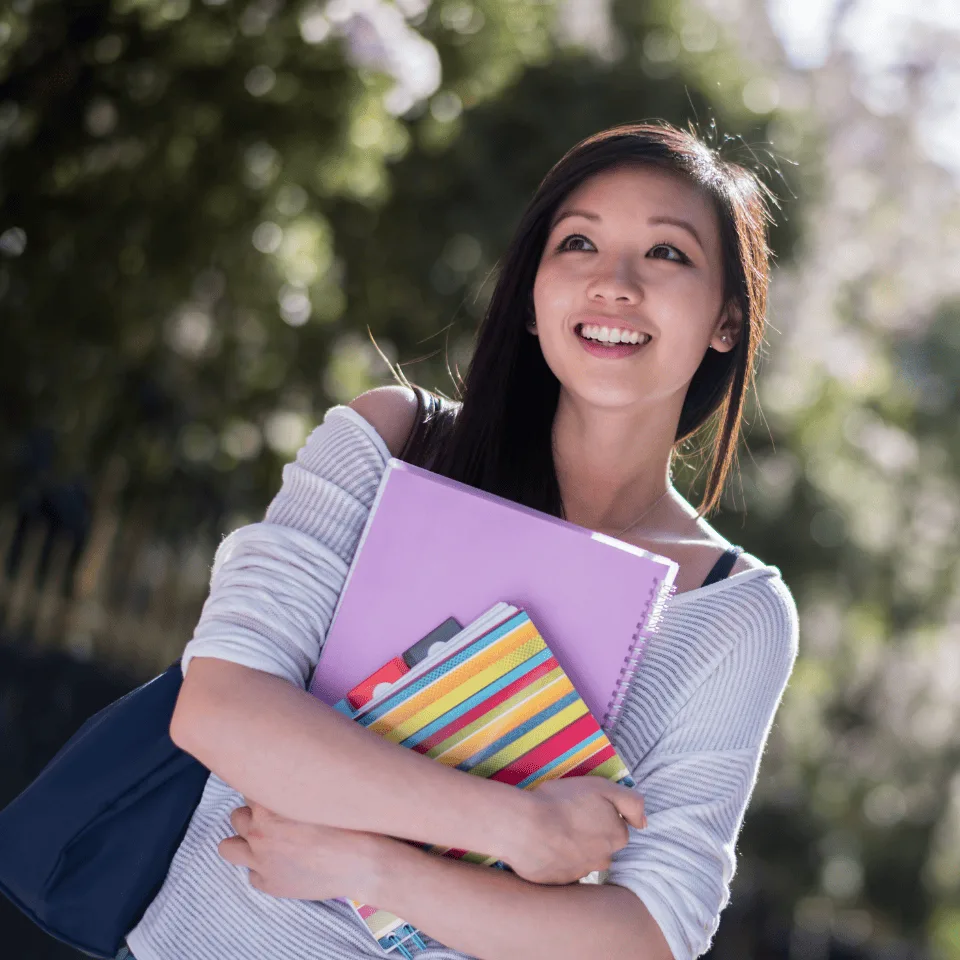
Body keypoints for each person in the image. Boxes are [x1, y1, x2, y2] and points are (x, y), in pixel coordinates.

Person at [123, 122, 798, 960]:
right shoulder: (393, 442)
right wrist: (512, 825)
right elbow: (223, 708)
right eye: (579, 243)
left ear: (728, 319)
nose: (613, 284)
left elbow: (650, 935)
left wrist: (374, 865)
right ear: (529, 292)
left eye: (666, 255)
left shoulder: (735, 611)